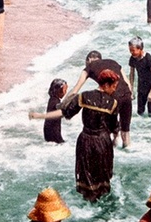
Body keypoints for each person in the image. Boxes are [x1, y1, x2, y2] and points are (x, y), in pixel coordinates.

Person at [30, 69, 119, 202]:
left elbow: (64, 112)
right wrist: (115, 140)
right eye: (113, 86)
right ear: (106, 85)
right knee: (102, 177)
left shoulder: (84, 96)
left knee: (86, 176)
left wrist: (40, 116)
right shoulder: (113, 103)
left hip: (86, 141)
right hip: (103, 142)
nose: (114, 90)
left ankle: (88, 202)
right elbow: (114, 127)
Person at [67, 50, 134, 149]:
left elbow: (75, 90)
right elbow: (127, 82)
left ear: (89, 59)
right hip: (127, 95)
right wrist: (130, 95)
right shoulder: (113, 62)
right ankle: (126, 147)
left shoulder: (89, 67)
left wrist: (63, 104)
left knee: (106, 130)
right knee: (125, 130)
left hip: (113, 97)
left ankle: (113, 143)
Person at [127, 36, 151, 117]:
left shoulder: (148, 58)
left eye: (133, 50)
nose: (131, 53)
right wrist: (131, 90)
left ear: (140, 48)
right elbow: (132, 74)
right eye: (130, 50)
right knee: (140, 111)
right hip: (141, 87)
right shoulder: (133, 58)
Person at [43, 78, 68, 144]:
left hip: (48, 130)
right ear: (59, 91)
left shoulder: (52, 99)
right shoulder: (55, 101)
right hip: (52, 131)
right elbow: (58, 107)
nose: (65, 92)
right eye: (64, 90)